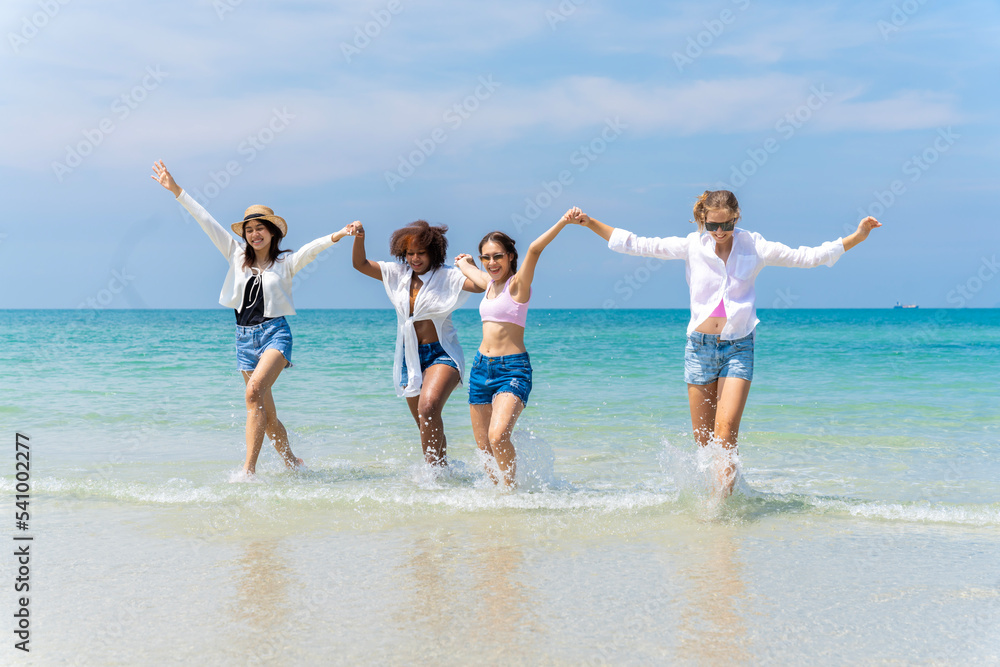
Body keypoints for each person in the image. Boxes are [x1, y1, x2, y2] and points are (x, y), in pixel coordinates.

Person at [575, 190, 880, 497]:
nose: (719, 233)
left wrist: (857, 237)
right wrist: (590, 224)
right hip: (698, 349)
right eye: (712, 226)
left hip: (738, 347)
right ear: (702, 221)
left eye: (726, 225)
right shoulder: (693, 245)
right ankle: (715, 501)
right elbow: (637, 244)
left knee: (726, 434)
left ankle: (720, 513)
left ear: (737, 217)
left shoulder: (755, 246)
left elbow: (807, 256)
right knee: (705, 443)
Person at [151, 160, 353, 477]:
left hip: (275, 334)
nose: (254, 233)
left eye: (260, 228)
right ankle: (292, 463)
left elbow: (312, 249)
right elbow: (205, 220)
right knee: (266, 414)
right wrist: (176, 190)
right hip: (244, 339)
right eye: (249, 229)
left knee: (253, 393)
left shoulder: (285, 262)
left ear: (272, 232)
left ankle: (248, 470)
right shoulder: (235, 254)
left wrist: (339, 233)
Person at [454, 208, 582, 488]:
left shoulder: (517, 286)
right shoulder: (489, 285)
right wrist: (464, 262)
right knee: (484, 446)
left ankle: (510, 493)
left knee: (498, 436)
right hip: (480, 369)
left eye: (498, 256)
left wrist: (563, 220)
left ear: (510, 256)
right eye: (486, 257)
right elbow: (472, 271)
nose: (491, 263)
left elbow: (535, 249)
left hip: (512, 368)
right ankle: (495, 493)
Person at [347, 220, 482, 466]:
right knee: (425, 421)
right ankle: (442, 472)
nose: (415, 258)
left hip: (442, 353)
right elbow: (360, 264)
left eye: (421, 253)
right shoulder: (397, 274)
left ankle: (432, 478)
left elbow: (482, 285)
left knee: (428, 408)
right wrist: (360, 237)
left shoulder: (447, 277)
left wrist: (470, 266)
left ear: (434, 252)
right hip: (409, 356)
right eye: (410, 253)